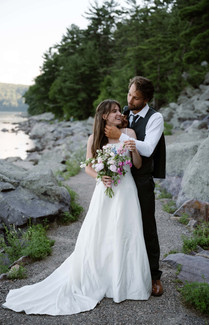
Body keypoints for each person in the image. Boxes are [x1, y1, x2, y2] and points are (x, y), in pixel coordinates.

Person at [2, 99, 151, 316]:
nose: (120, 113)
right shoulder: (94, 138)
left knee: (126, 231)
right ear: (104, 116)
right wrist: (102, 176)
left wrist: (133, 149)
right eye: (115, 111)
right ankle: (102, 276)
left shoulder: (129, 132)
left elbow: (137, 164)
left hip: (126, 190)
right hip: (105, 190)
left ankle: (127, 282)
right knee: (102, 232)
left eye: (120, 110)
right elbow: (89, 168)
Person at [105, 77, 166, 296]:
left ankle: (153, 276)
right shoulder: (124, 113)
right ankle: (122, 270)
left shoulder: (155, 118)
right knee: (120, 224)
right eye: (129, 94)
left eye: (136, 97)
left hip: (141, 178)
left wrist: (119, 135)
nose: (130, 100)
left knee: (147, 225)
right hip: (122, 179)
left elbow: (149, 148)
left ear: (146, 99)